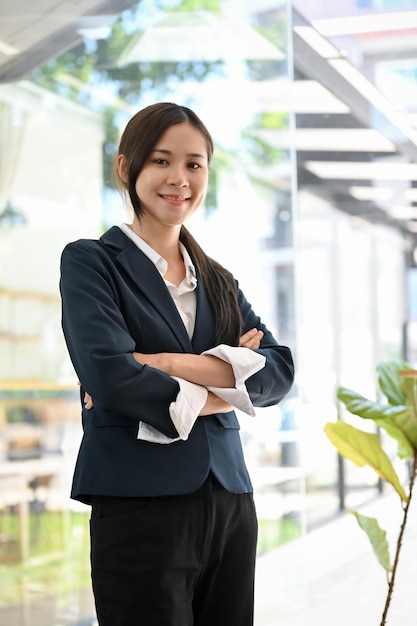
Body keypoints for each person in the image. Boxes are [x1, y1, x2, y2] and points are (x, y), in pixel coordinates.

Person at [59, 102, 294, 626]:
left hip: (231, 499)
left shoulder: (218, 279)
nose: (179, 179)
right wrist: (229, 380)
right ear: (127, 168)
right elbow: (112, 377)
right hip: (139, 499)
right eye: (162, 161)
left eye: (194, 164)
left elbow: (279, 374)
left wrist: (165, 362)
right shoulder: (91, 263)